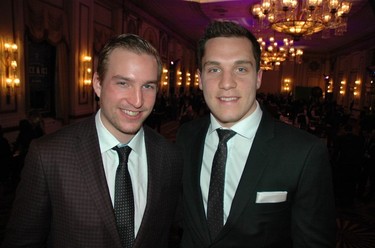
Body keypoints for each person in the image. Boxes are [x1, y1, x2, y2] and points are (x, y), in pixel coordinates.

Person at [2, 34, 183, 248]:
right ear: (97, 84)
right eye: (123, 83)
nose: (137, 101)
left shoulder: (169, 155)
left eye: (148, 86)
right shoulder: (48, 155)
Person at [176, 21, 336, 248]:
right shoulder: (186, 136)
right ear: (200, 79)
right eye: (214, 69)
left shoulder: (304, 152)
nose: (227, 83)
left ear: (258, 77)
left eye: (241, 69)